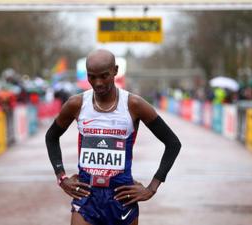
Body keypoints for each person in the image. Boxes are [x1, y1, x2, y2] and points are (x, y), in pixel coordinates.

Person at [45, 49, 181, 225]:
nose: (98, 83)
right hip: (87, 196)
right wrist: (62, 178)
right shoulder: (76, 104)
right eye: (92, 77)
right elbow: (51, 137)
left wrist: (152, 188)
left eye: (104, 76)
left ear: (115, 71)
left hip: (122, 197)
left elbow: (173, 143)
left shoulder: (134, 104)